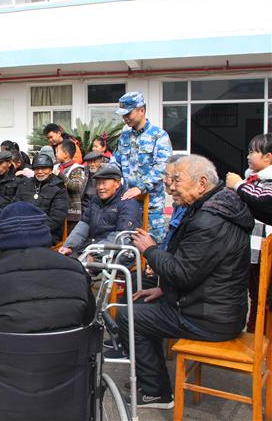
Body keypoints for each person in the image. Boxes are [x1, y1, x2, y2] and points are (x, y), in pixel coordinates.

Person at [116, 155, 253, 409]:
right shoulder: (219, 206)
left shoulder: (209, 219)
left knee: (128, 317)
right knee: (141, 302)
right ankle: (152, 381)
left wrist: (150, 250)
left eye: (177, 180)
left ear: (202, 183)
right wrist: (163, 289)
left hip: (209, 318)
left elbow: (183, 273)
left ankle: (156, 392)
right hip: (217, 308)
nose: (171, 186)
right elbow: (200, 269)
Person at [0, 202, 95, 334]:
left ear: (2, 237)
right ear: (43, 232)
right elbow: (88, 318)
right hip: (68, 351)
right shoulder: (76, 271)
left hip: (4, 351)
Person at [226, 133, 272, 333]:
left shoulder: (266, 180)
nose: (248, 156)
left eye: (253, 152)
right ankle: (254, 332)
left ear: (268, 157)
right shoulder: (252, 179)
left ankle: (262, 335)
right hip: (252, 248)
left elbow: (262, 200)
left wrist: (238, 185)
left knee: (263, 296)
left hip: (264, 249)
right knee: (254, 294)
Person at [112, 91, 172, 244]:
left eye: (128, 114)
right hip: (128, 203)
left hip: (151, 205)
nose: (125, 118)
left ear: (141, 110)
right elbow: (115, 163)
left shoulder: (159, 136)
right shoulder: (124, 137)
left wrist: (140, 187)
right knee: (128, 245)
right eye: (123, 115)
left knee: (153, 245)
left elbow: (162, 166)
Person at [58, 164, 142, 257]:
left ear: (117, 183)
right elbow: (84, 224)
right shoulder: (95, 200)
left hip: (114, 253)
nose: (100, 187)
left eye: (104, 183)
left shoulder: (128, 203)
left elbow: (122, 236)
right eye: (98, 183)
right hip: (91, 247)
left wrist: (94, 252)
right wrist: (69, 246)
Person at [14, 154, 69, 244]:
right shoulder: (25, 185)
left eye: (44, 168)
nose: (40, 172)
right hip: (22, 230)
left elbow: (56, 219)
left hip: (47, 232)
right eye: (37, 168)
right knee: (4, 242)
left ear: (51, 170)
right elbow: (14, 207)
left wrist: (32, 230)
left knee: (23, 244)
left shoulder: (59, 188)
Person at [55, 140, 85, 224]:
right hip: (57, 210)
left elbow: (76, 186)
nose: (56, 154)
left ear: (66, 154)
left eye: (57, 151)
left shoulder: (77, 169)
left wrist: (60, 175)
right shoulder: (55, 167)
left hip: (71, 213)